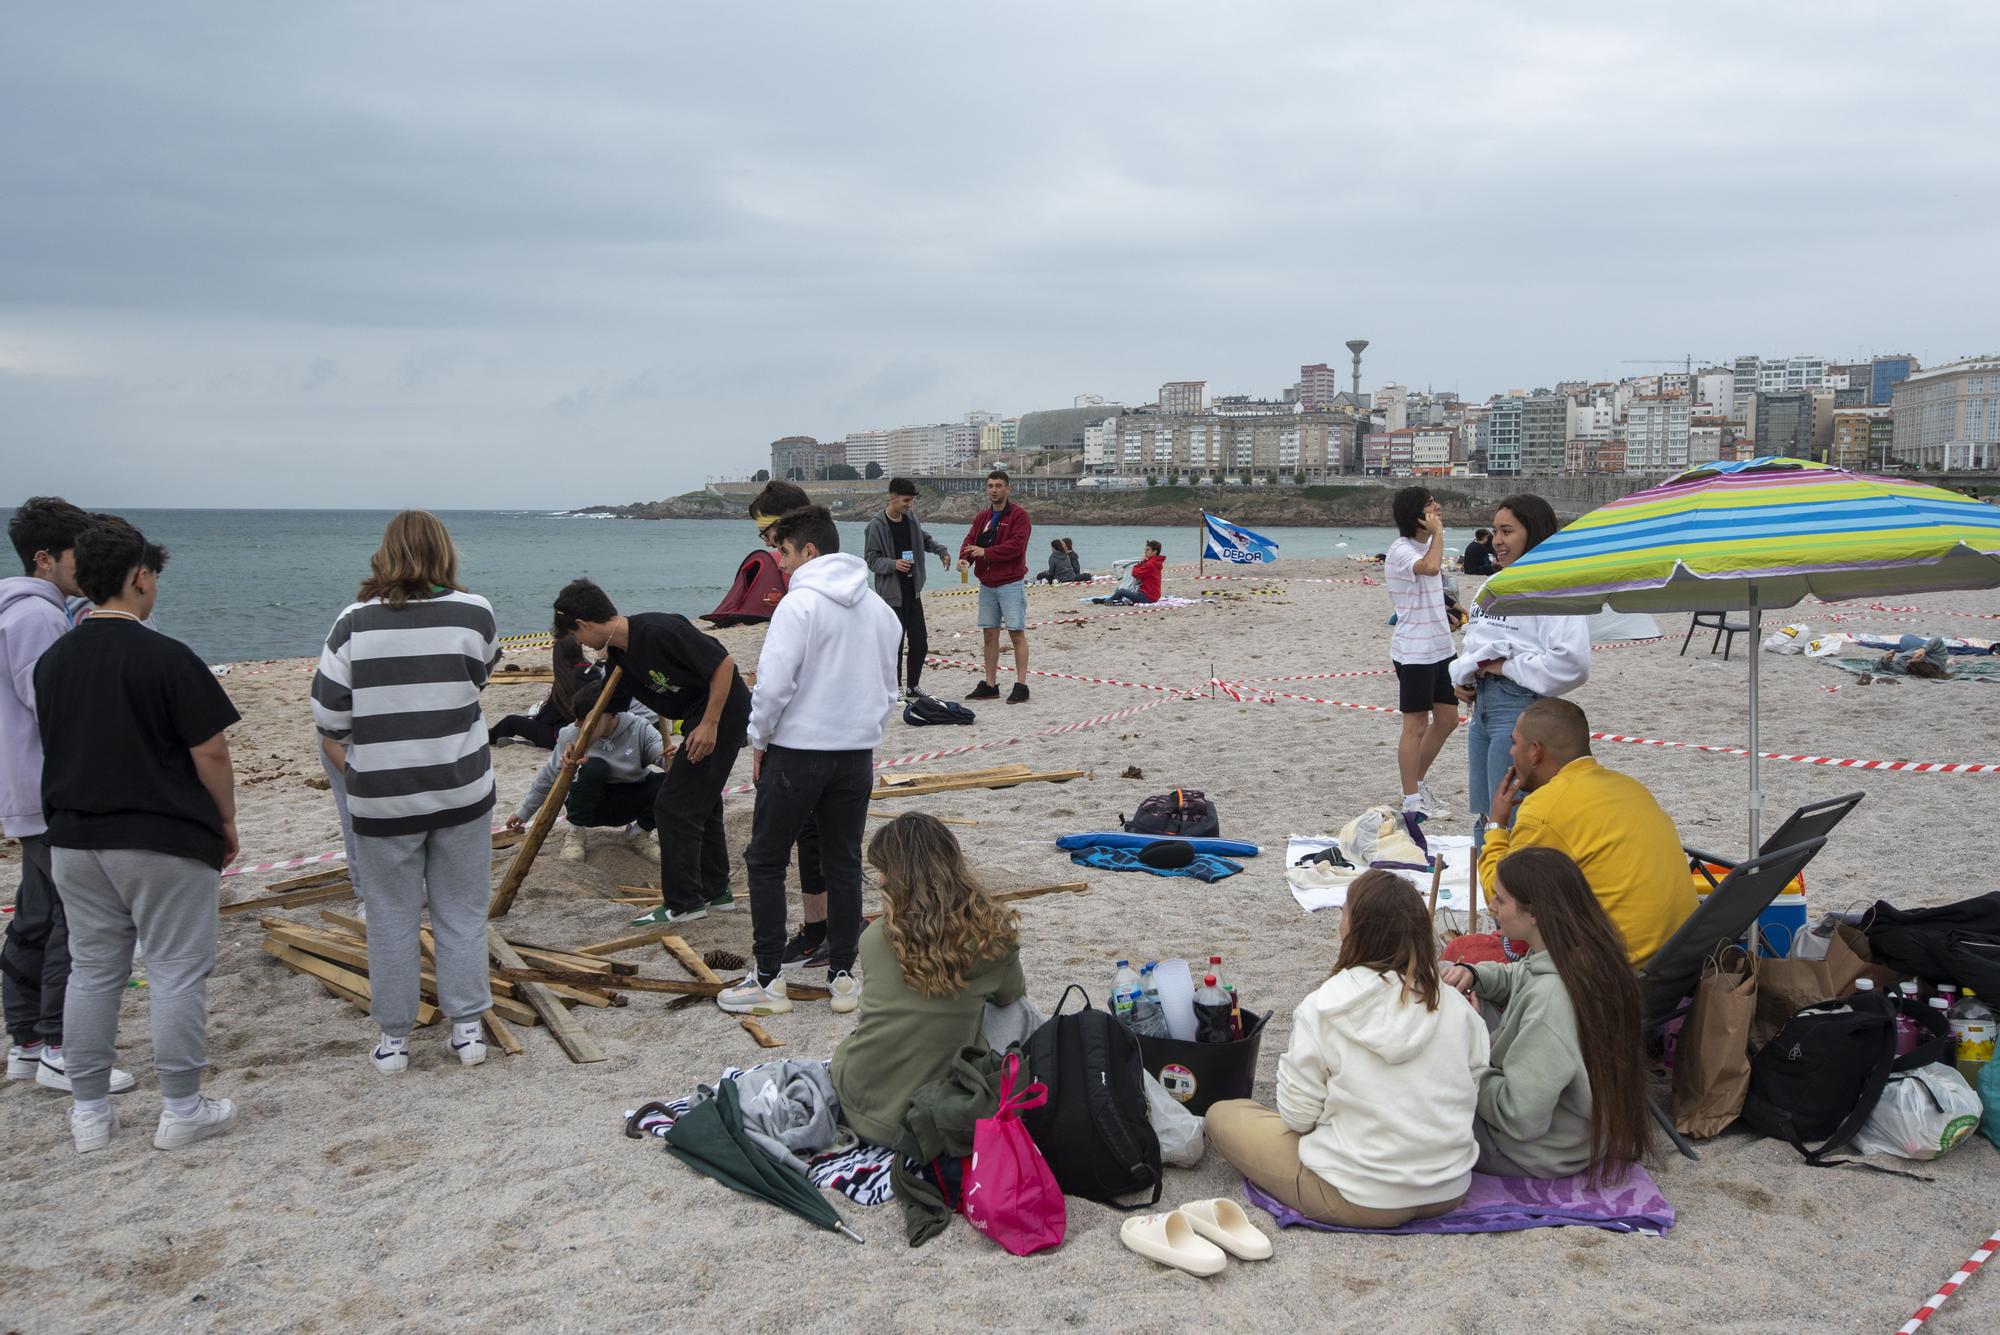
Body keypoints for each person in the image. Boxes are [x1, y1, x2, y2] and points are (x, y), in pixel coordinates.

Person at [37, 519, 240, 1151]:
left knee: (92, 972)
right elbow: (210, 752)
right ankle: (181, 1107)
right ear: (140, 577)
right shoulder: (166, 655)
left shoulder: (54, 659)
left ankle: (90, 1112)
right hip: (161, 836)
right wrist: (226, 820)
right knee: (176, 971)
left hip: (73, 837)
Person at [313, 511, 501, 1075]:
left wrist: (356, 765)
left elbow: (328, 714)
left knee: (391, 916)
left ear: (385, 554)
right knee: (462, 912)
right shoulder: (476, 612)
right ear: (445, 553)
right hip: (460, 788)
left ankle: (394, 1039)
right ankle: (467, 1030)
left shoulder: (353, 623)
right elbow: (480, 676)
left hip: (382, 797)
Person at [1206, 870, 1487, 1226]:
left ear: (1357, 930)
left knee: (1223, 1115)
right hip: (1448, 1188)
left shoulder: (1324, 1006)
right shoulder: (1456, 1006)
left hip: (1357, 1196)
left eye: (1344, 913)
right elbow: (1471, 1087)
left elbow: (1297, 1117)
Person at [723, 506, 900, 1018]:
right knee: (843, 862)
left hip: (798, 753)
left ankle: (768, 979)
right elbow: (890, 690)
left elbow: (774, 685)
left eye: (783, 550)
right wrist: (866, 732)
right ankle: (843, 978)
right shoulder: (880, 611)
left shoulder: (798, 606)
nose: (777, 560)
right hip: (854, 757)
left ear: (809, 552)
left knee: (766, 859)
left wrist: (759, 739)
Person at [4, 498, 140, 1097]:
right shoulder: (35, 616)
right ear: (44, 558)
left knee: (35, 909)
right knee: (70, 920)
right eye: (73, 556)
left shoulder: (16, 609)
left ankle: (27, 1042)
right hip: (47, 784)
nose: (82, 568)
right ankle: (59, 1044)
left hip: (25, 784)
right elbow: (52, 699)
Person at [1442, 846, 1653, 1183]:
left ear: (1534, 912)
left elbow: (1520, 1117)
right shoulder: (1578, 953)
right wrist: (1474, 973)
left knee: (1416, 1082)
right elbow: (1520, 975)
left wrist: (1468, 1057)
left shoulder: (1551, 1000)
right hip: (1576, 1132)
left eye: (1500, 900)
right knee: (1446, 973)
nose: (1492, 907)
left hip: (1532, 1151)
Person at [553, 578, 751, 927]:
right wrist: (577, 745)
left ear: (583, 624)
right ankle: (716, 893)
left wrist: (710, 723)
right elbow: (603, 711)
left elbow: (724, 664)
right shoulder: (618, 657)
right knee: (702, 804)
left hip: (723, 712)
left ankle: (684, 903)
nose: (581, 644)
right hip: (696, 716)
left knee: (672, 806)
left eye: (577, 637)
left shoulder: (659, 629)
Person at [831, 813, 1024, 1145]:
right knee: (1020, 1011)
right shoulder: (994, 935)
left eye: (883, 871)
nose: (879, 881)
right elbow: (1012, 998)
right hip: (930, 1117)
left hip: (859, 1105)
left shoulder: (876, 937)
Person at [1458, 698, 1695, 969]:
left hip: (1618, 976)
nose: (1512, 752)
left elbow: (1499, 899)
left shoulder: (1545, 807)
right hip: (1679, 964)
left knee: (1464, 955)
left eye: (1515, 742)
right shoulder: (1630, 786)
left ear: (1535, 752)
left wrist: (1497, 825)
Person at [1450, 495, 1590, 847]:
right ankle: (1491, 886)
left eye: (1508, 531)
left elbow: (1572, 662)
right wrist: (1464, 677)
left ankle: (1512, 893)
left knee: (1512, 813)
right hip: (1481, 708)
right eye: (1495, 531)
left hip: (1518, 707)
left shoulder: (1553, 586)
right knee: (1486, 809)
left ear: (1534, 532)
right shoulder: (1493, 585)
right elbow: (1476, 642)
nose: (1497, 540)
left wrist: (1504, 666)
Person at [505, 678, 665, 863]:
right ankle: (575, 835)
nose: (579, 725)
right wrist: (523, 812)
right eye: (577, 718)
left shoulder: (639, 728)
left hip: (630, 800)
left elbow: (661, 754)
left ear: (612, 715)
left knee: (672, 779)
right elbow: (548, 777)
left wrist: (671, 758)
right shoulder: (571, 734)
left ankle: (638, 834)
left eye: (587, 720)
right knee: (594, 766)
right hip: (589, 806)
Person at [1384, 486, 1457, 823]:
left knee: (1447, 719)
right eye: (1431, 505)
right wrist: (1438, 533)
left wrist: (1450, 614)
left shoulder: (1430, 545)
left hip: (1441, 646)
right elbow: (1428, 568)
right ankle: (1411, 800)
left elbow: (1435, 581)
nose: (1438, 509)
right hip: (1414, 650)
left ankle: (1417, 783)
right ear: (1416, 513)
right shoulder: (1400, 550)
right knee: (1415, 725)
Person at [862, 476, 951, 701]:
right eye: (906, 500)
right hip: (891, 595)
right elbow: (871, 560)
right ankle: (895, 689)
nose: (909, 504)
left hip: (913, 591)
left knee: (920, 642)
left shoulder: (911, 519)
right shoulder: (876, 526)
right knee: (895, 644)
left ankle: (913, 686)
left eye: (911, 501)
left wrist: (941, 551)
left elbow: (925, 539)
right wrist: (893, 564)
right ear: (892, 497)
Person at [958, 470, 1033, 705]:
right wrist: (965, 560)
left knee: (1016, 633)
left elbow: (1016, 547)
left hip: (1011, 583)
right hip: (987, 585)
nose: (994, 490)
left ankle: (1021, 685)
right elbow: (970, 541)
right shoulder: (982, 517)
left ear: (1008, 488)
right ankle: (990, 685)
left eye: (998, 485)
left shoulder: (1019, 516)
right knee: (989, 634)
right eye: (990, 485)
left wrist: (986, 553)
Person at [488, 633, 594, 749]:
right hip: (587, 732)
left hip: (559, 736)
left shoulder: (567, 679)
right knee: (528, 720)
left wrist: (536, 718)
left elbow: (548, 717)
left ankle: (486, 738)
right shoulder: (591, 670)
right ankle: (523, 741)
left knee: (511, 721)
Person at [1096, 540, 1164, 605]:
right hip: (1154, 595)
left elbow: (1135, 574)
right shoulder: (1156, 562)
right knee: (1124, 591)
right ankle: (1112, 600)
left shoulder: (1150, 564)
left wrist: (1140, 562)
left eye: (1148, 550)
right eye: (1145, 549)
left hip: (1148, 597)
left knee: (1121, 591)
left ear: (1155, 552)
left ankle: (1107, 601)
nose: (1145, 552)